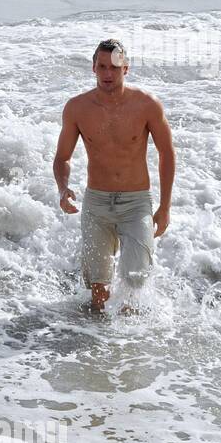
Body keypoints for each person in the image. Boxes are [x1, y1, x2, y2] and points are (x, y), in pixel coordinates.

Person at [53, 39, 175, 311]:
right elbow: (62, 157)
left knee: (134, 283)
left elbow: (167, 153)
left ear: (126, 69)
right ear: (94, 68)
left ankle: (127, 350)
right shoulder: (77, 108)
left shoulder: (147, 104)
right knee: (98, 291)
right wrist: (63, 189)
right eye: (103, 67)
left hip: (136, 204)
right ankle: (94, 348)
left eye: (115, 68)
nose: (108, 74)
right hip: (96, 204)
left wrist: (164, 207)